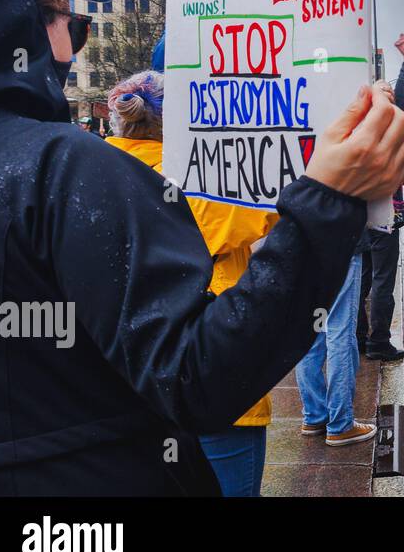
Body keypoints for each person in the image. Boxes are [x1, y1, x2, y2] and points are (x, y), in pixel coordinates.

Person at [0, 0, 404, 494]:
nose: (76, 46)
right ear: (20, 28)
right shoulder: (62, 171)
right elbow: (194, 374)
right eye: (71, 24)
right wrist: (330, 197)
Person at [105, 70, 279, 497]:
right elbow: (278, 203)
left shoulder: (89, 173)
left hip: (124, 386)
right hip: (213, 379)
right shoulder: (203, 181)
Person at [356, 32, 404, 362]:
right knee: (382, 280)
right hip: (383, 215)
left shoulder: (356, 126)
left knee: (362, 278)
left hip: (357, 216)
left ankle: (358, 335)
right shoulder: (385, 124)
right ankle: (378, 340)